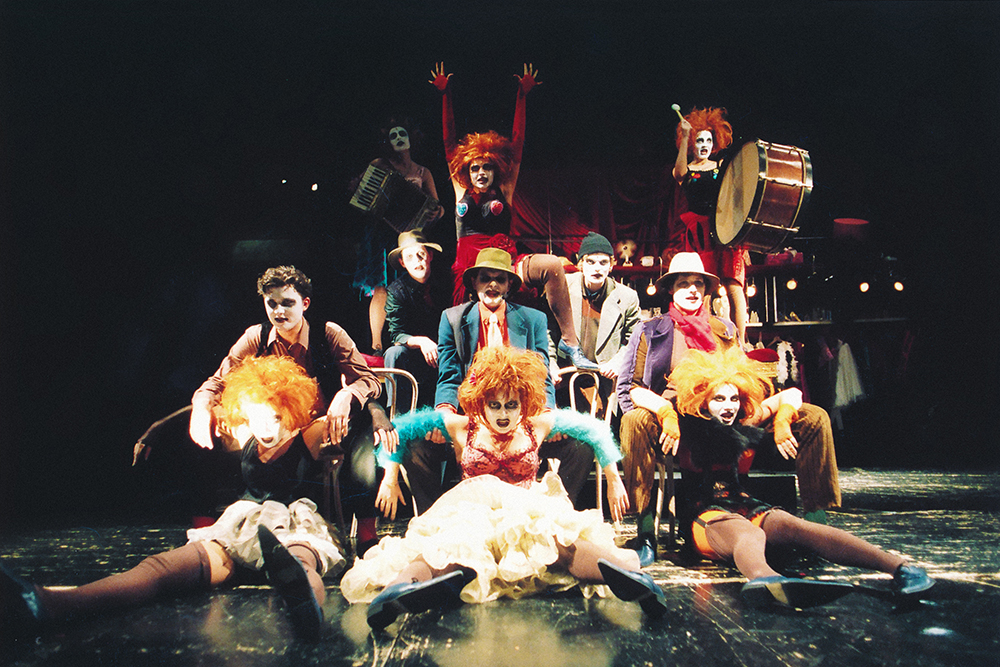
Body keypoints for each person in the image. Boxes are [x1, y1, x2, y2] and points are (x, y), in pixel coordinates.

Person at [1, 357, 394, 641]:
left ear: (287, 411)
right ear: (245, 414)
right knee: (162, 567)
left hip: (295, 525)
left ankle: (309, 615)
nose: (265, 426)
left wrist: (373, 413)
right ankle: (47, 604)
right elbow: (196, 410)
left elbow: (361, 411)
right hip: (243, 528)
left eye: (273, 417)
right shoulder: (245, 437)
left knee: (298, 565)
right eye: (256, 417)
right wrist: (156, 428)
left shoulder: (306, 435)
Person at [339, 346, 666, 629]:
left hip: (525, 510)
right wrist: (390, 476)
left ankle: (629, 579)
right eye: (494, 405)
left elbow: (594, 429)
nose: (504, 414)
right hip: (472, 507)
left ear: (524, 402)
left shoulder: (537, 424)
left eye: (511, 405)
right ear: (481, 403)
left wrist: (613, 477)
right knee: (452, 545)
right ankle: (400, 591)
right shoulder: (462, 425)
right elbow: (401, 429)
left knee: (559, 542)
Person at [616, 253, 841, 565]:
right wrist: (665, 412)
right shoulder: (651, 330)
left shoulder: (725, 328)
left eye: (698, 284)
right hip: (678, 417)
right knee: (634, 420)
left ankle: (817, 524)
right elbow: (630, 388)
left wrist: (780, 416)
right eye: (683, 284)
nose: (692, 289)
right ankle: (644, 534)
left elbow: (745, 379)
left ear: (706, 290)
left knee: (814, 417)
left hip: (726, 413)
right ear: (671, 289)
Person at [666, 347, 933, 608]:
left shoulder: (746, 422)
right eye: (719, 399)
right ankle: (766, 581)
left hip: (745, 505)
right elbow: (646, 397)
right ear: (703, 401)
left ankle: (901, 569)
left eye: (734, 398)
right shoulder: (685, 424)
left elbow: (792, 394)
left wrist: (783, 421)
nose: (728, 406)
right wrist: (667, 417)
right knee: (748, 533)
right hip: (704, 516)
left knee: (794, 525)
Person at [188, 265, 388, 554]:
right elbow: (218, 381)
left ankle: (367, 535)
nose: (279, 311)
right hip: (270, 427)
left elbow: (369, 380)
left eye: (287, 303)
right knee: (201, 434)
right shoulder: (256, 336)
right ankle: (205, 535)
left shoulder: (328, 333)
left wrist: (346, 394)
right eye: (272, 303)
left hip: (319, 426)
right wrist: (201, 405)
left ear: (305, 303)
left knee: (361, 439)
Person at [403, 248, 598, 513]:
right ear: (474, 282)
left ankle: (553, 517)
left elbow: (541, 375)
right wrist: (444, 416)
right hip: (470, 424)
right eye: (485, 278)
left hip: (520, 421)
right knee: (416, 449)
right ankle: (439, 519)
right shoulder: (453, 319)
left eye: (500, 279)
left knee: (580, 446)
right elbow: (449, 376)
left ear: (509, 286)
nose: (492, 285)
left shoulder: (533, 319)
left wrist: (546, 415)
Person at [430, 62, 596, 371]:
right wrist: (445, 95)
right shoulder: (460, 188)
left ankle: (570, 343)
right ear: (467, 171)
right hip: (470, 266)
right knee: (469, 334)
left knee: (552, 265)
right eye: (475, 168)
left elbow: (517, 145)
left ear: (496, 170)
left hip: (505, 258)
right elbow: (449, 144)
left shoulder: (504, 189)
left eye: (487, 167)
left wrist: (522, 96)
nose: (481, 173)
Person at [351, 118, 444, 353]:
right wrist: (362, 187)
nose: (399, 139)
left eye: (402, 134)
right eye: (393, 136)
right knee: (381, 287)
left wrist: (436, 212)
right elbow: (359, 193)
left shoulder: (423, 172)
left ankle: (405, 334)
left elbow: (437, 206)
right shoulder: (380, 164)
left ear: (412, 138)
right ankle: (376, 345)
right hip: (381, 235)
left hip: (410, 237)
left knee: (410, 285)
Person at [671, 106, 749, 341]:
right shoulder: (688, 170)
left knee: (734, 286)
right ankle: (703, 339)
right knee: (702, 285)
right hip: (700, 233)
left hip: (725, 230)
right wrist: (686, 135)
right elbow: (678, 173)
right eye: (699, 140)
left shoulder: (721, 167)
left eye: (708, 140)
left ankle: (740, 342)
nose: (704, 144)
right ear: (692, 144)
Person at [552, 232, 641, 417]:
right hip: (564, 377)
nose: (597, 268)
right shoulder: (563, 287)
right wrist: (550, 362)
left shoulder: (626, 297)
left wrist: (618, 360)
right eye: (591, 262)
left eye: (603, 262)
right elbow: (547, 330)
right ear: (581, 264)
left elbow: (635, 339)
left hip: (602, 380)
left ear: (611, 265)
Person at [383, 230, 449, 412]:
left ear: (430, 256)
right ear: (402, 263)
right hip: (416, 354)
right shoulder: (397, 291)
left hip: (445, 350)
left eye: (421, 255)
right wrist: (421, 341)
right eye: (410, 257)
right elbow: (396, 334)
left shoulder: (445, 281)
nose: (417, 262)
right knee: (394, 353)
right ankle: (398, 416)